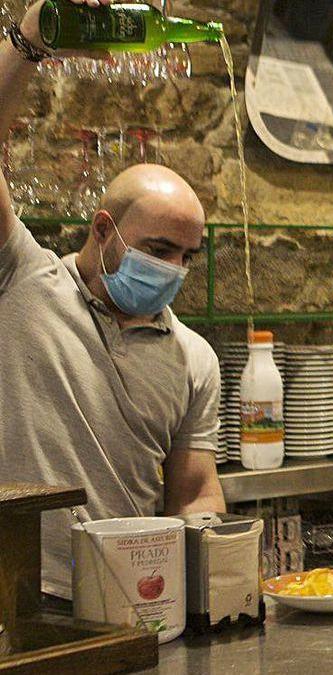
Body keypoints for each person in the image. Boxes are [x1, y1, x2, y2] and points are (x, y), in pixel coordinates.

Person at [0, 0, 226, 599]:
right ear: (103, 230)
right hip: (19, 593)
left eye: (186, 256)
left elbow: (194, 490)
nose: (172, 269)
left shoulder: (193, 359)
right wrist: (29, 41)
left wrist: (213, 563)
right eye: (157, 248)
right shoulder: (23, 279)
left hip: (136, 600)